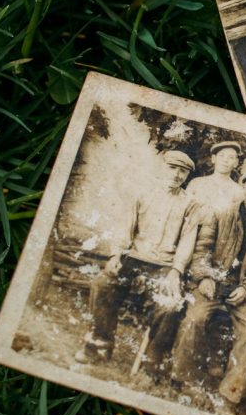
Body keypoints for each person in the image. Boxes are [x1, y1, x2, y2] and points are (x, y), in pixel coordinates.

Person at [74, 150, 213, 365]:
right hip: (134, 258)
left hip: (164, 266)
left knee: (170, 303)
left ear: (187, 176)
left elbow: (188, 240)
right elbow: (124, 226)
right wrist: (116, 254)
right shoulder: (142, 193)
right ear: (162, 167)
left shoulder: (189, 204)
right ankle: (99, 344)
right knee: (103, 284)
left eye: (183, 172)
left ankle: (152, 359)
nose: (176, 175)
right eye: (172, 168)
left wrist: (176, 271)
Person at [168, 163, 246, 415]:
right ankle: (185, 379)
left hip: (243, 292)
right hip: (211, 285)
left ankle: (229, 396)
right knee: (195, 318)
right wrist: (204, 277)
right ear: (243, 187)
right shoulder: (219, 213)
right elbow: (201, 251)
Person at [185, 141, 244, 214]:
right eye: (221, 155)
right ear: (213, 159)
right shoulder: (196, 183)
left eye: (231, 157)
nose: (225, 160)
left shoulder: (239, 191)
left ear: (236, 163)